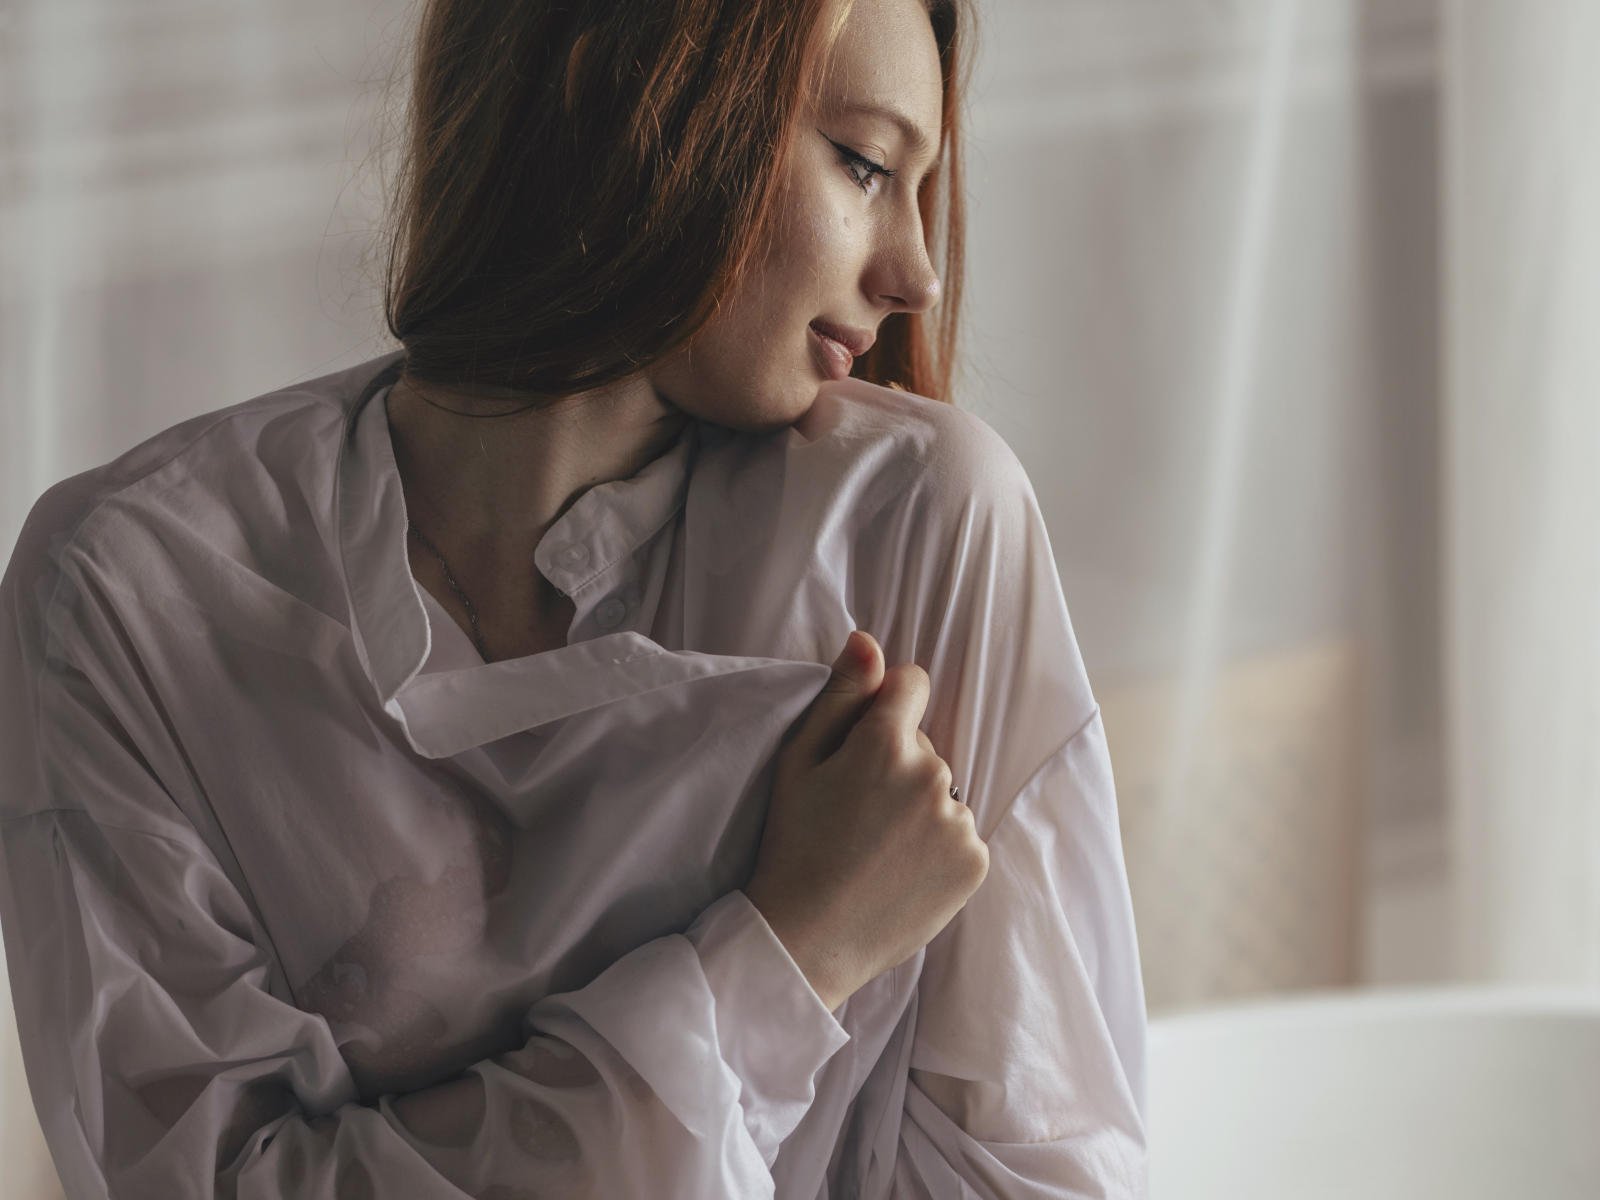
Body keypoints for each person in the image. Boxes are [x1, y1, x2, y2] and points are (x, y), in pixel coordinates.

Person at [0, 0, 1149, 1195]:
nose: (915, 273)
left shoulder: (914, 519)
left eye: (919, 185)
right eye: (864, 163)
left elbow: (1041, 1174)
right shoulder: (125, 592)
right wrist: (785, 959)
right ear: (628, 95)